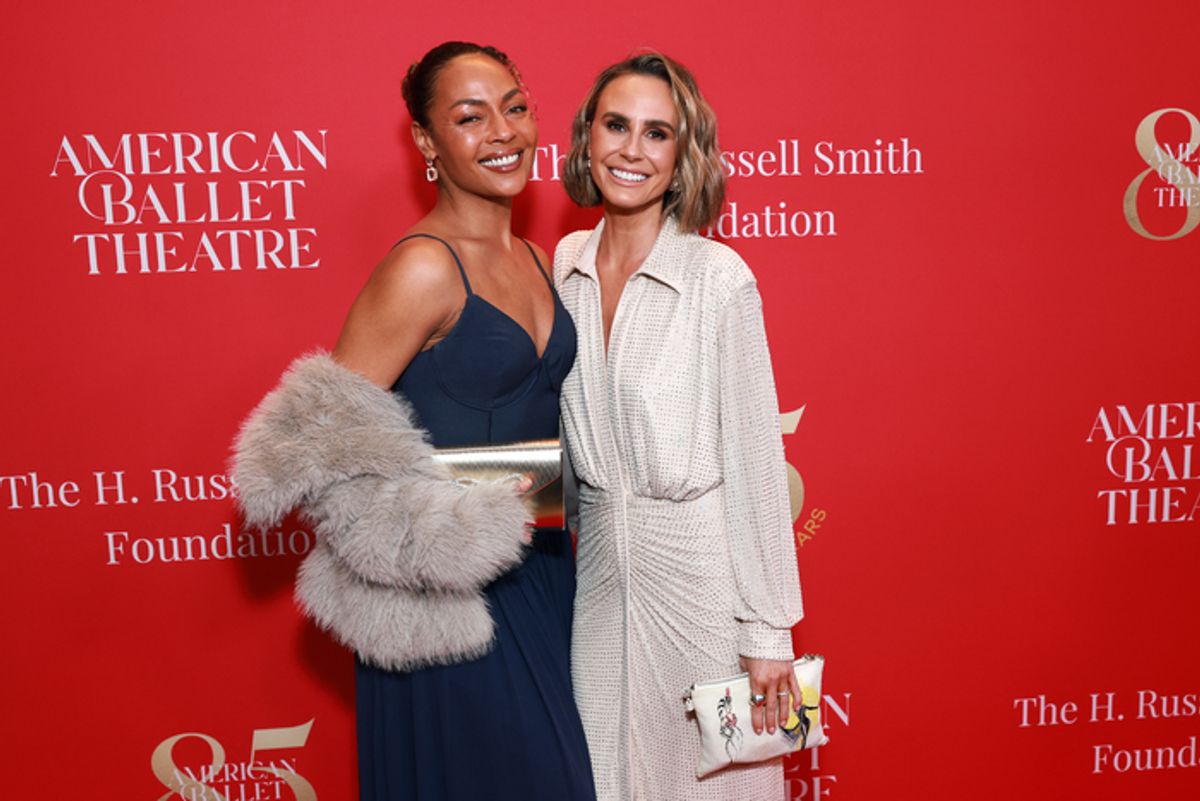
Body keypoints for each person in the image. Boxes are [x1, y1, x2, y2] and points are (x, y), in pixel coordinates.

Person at [232, 42, 594, 801]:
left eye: (515, 107)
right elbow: (316, 451)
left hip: (548, 580)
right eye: (470, 117)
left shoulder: (537, 258)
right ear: (428, 143)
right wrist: (460, 531)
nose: (503, 131)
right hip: (452, 606)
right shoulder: (423, 267)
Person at [554, 52, 804, 800]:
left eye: (657, 133)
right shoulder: (562, 262)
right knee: (601, 776)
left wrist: (766, 634)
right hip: (597, 582)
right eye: (616, 125)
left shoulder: (718, 278)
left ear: (684, 153)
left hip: (699, 587)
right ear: (586, 137)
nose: (632, 150)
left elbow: (756, 461)